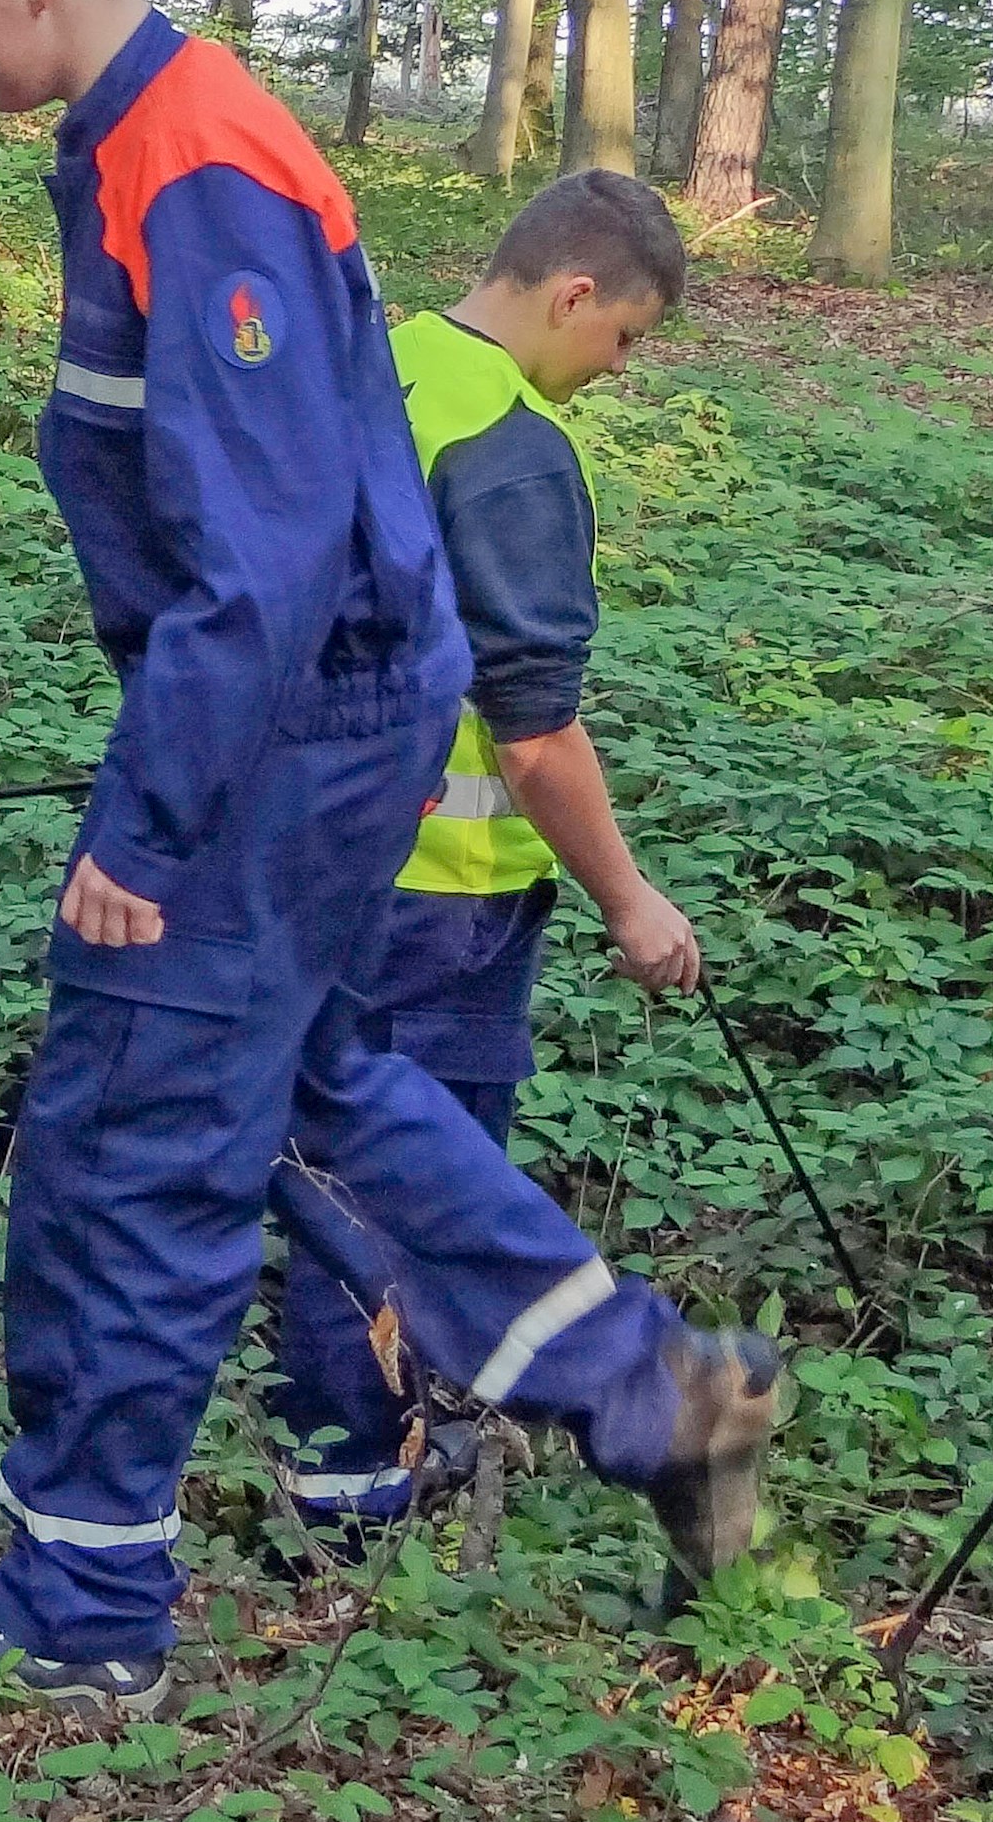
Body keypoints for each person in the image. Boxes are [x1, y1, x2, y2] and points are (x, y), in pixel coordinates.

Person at [0, 0, 790, 1717]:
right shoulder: (138, 142)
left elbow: (262, 556)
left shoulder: (199, 166)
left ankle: (87, 1612)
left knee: (134, 1135)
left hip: (281, 731)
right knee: (319, 1093)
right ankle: (660, 1395)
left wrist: (150, 819)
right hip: (303, 717)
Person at [270, 169, 703, 1528]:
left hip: (299, 857)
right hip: (442, 901)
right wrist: (632, 901)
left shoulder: (368, 370)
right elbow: (532, 734)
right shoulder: (511, 445)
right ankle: (353, 1485)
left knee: (329, 1158)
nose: (620, 369)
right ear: (573, 293)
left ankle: (348, 1452)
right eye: (624, 337)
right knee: (408, 1186)